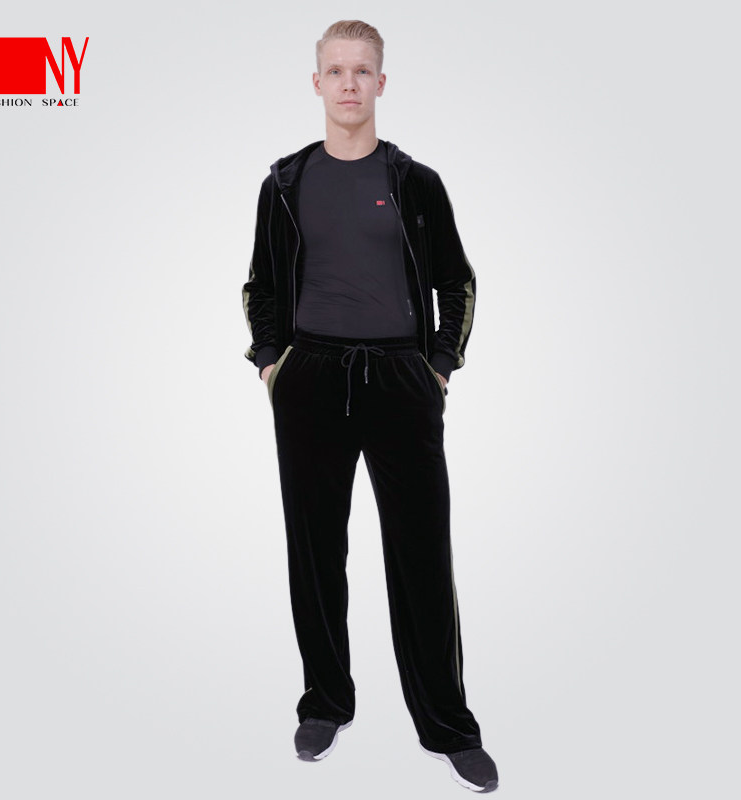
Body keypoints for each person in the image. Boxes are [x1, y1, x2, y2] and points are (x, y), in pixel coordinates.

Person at [241, 20, 499, 794]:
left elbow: (457, 282)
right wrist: (272, 365)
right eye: (336, 71)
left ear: (380, 83)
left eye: (362, 71)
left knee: (423, 555)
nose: (349, 84)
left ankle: (447, 724)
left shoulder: (417, 183)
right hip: (311, 378)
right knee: (315, 549)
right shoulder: (284, 184)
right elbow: (261, 286)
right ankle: (325, 703)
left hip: (400, 380)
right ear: (316, 83)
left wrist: (439, 366)